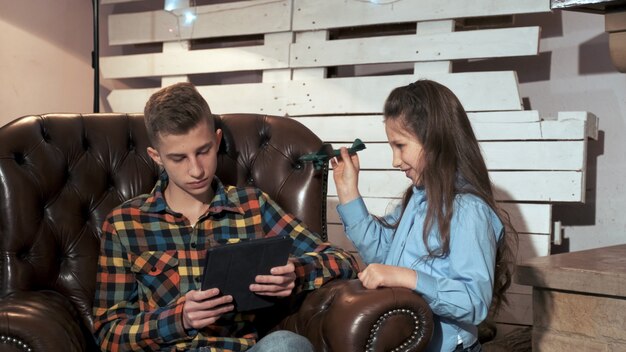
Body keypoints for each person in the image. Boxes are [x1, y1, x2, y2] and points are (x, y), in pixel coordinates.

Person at [92, 82, 358, 351]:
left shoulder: (252, 206)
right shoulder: (125, 223)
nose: (196, 170)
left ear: (217, 140)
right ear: (156, 157)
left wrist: (297, 273)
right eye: (178, 158)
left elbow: (340, 260)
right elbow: (107, 334)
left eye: (204, 151)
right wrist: (178, 319)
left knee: (287, 344)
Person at [331, 79, 516, 352]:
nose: (395, 161)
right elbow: (383, 258)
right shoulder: (416, 200)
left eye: (401, 146)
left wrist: (407, 278)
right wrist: (349, 194)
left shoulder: (468, 210)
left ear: (434, 139)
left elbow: (474, 302)